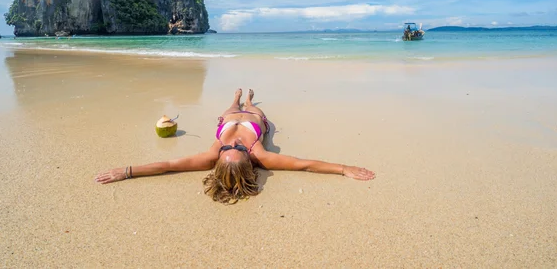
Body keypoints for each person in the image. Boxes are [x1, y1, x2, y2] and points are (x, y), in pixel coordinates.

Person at [95, 89, 375, 204]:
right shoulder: (260, 154)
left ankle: (240, 97)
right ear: (248, 159)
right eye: (238, 150)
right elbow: (305, 164)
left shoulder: (210, 155)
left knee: (231, 108)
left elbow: (168, 166)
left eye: (230, 149)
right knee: (249, 108)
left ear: (219, 159)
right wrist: (342, 168)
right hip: (256, 120)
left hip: (227, 119)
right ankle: (247, 99)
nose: (236, 145)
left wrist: (128, 170)